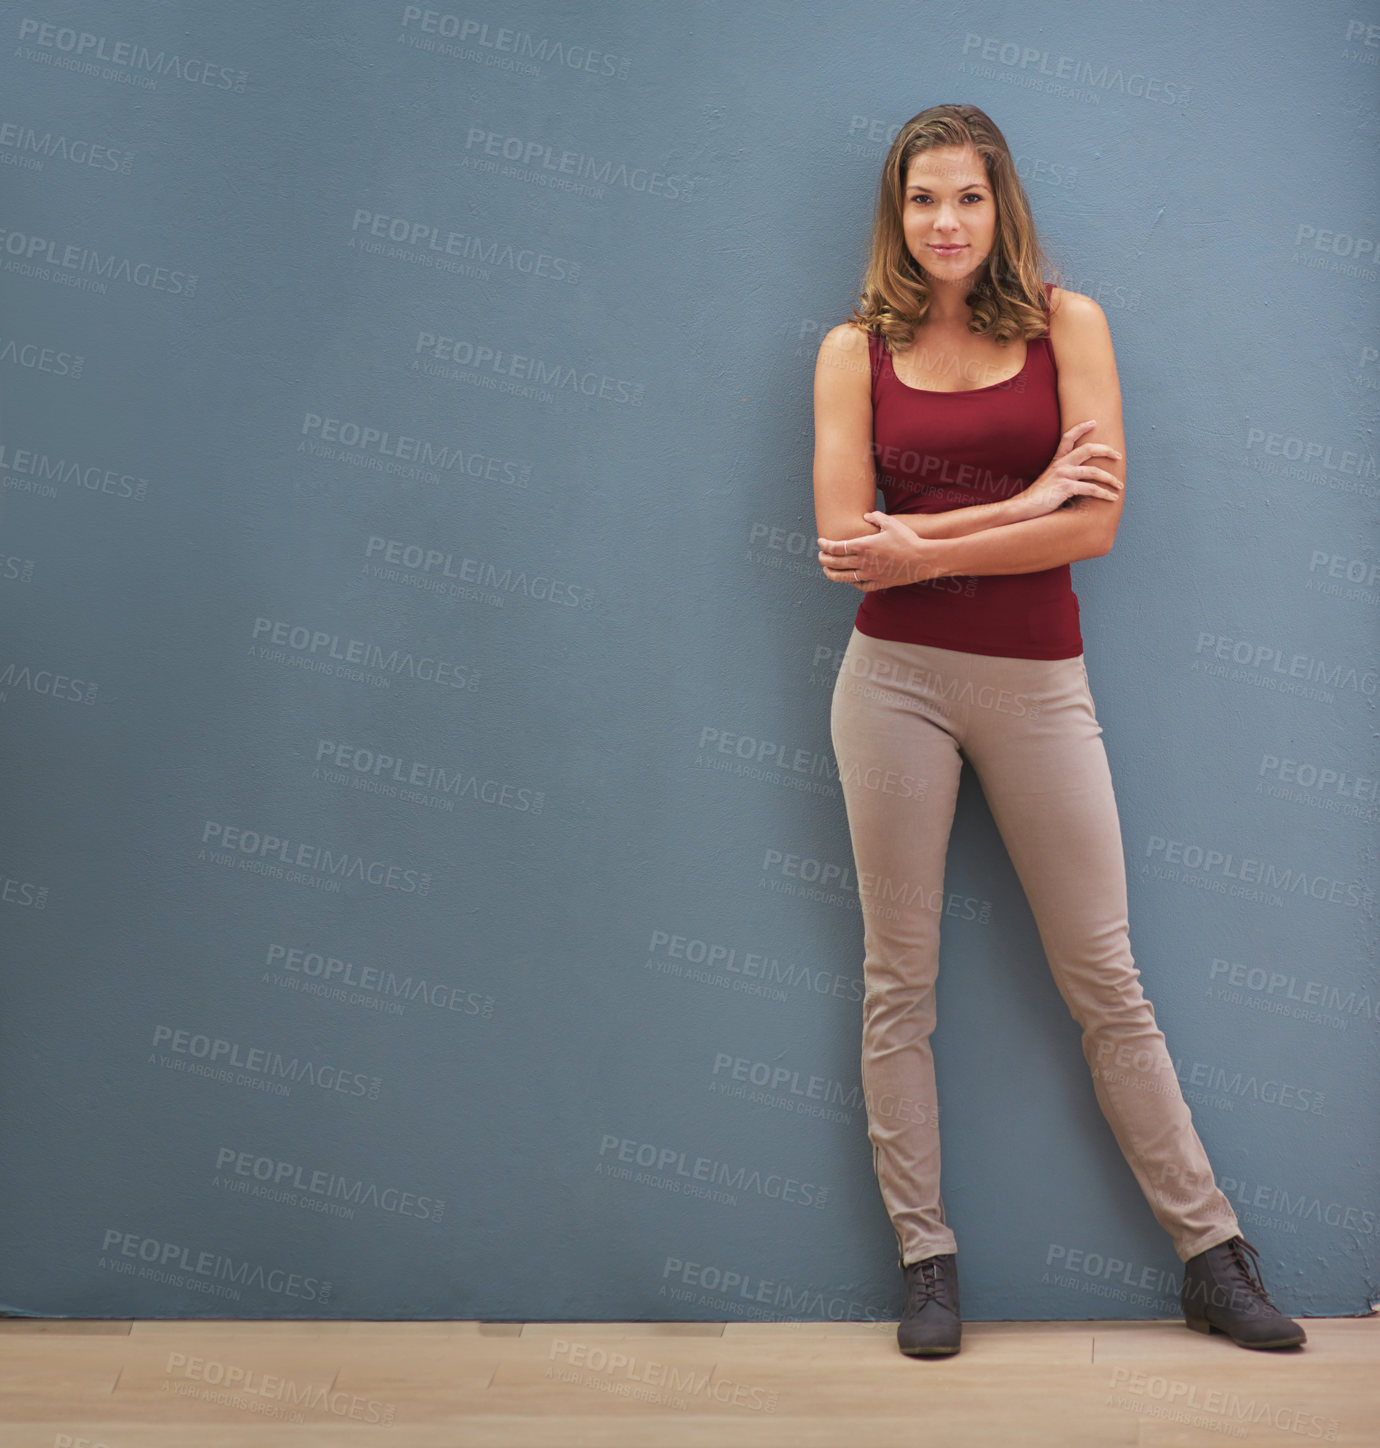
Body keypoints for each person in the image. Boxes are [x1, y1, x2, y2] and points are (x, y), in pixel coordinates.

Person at [811, 103, 1305, 1360]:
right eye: (924, 199)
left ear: (1001, 204)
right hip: (895, 685)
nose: (946, 222)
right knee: (896, 987)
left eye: (968, 197)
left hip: (1038, 685)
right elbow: (849, 554)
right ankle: (929, 1264)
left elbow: (1094, 528)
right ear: (897, 212)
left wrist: (932, 536)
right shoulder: (850, 351)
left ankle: (1212, 1254)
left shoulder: (1068, 325)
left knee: (1108, 981)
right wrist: (1013, 502)